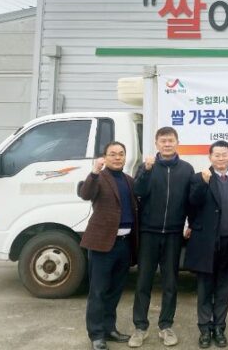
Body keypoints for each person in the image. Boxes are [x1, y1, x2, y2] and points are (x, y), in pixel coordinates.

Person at [129, 127, 194, 348]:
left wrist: (190, 224)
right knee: (143, 281)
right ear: (156, 143)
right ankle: (140, 327)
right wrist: (146, 171)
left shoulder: (186, 169)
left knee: (170, 283)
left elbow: (190, 200)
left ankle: (166, 326)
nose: (167, 144)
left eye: (171, 140)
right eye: (163, 141)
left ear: (177, 143)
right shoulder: (148, 166)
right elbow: (137, 191)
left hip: (174, 234)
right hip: (149, 233)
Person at [183, 140, 228, 349]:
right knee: (205, 288)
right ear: (210, 157)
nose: (221, 158)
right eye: (217, 155)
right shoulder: (199, 177)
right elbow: (191, 204)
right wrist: (203, 184)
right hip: (206, 243)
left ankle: (219, 328)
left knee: (224, 288)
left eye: (224, 154)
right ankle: (205, 329)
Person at [78, 141, 138, 350]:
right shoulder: (99, 178)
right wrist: (94, 171)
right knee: (98, 291)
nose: (117, 157)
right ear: (105, 157)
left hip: (124, 244)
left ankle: (109, 328)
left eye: (121, 154)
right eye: (112, 154)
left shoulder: (129, 180)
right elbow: (85, 194)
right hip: (103, 244)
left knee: (115, 290)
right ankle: (96, 334)